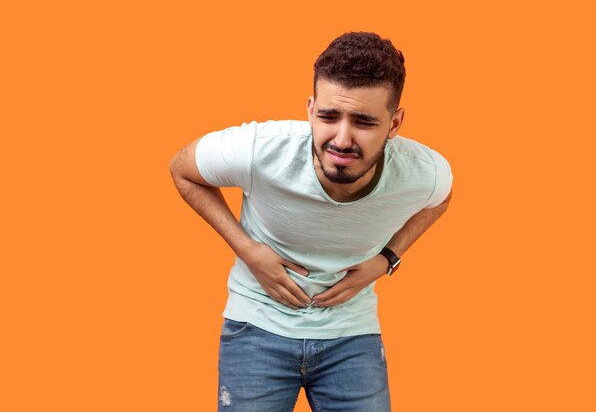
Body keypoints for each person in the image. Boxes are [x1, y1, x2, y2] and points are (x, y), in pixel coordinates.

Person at [169, 31, 453, 412]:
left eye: (364, 122)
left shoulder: (423, 172)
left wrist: (388, 258)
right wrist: (248, 250)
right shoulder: (261, 150)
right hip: (256, 328)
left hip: (352, 335)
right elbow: (182, 169)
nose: (341, 139)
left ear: (395, 123)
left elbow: (442, 199)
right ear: (309, 109)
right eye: (328, 116)